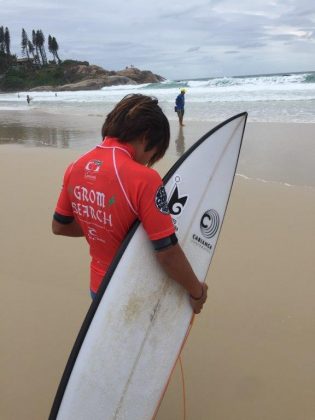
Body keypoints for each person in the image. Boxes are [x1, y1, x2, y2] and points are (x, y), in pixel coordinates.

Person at [52, 94, 207, 313]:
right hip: (133, 290)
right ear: (146, 138)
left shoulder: (75, 167)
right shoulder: (144, 179)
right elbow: (167, 253)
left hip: (97, 288)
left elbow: (60, 226)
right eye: (154, 153)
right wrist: (196, 291)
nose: (149, 162)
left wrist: (101, 225)